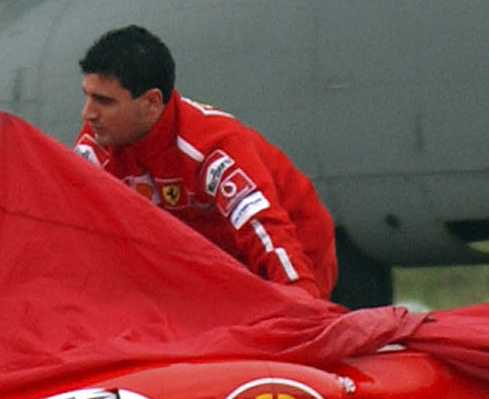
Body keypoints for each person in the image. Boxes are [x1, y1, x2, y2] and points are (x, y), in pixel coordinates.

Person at [74, 25, 338, 297]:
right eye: (87, 96)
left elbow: (265, 229)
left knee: (281, 322)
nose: (88, 113)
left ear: (151, 103)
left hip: (291, 247)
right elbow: (64, 221)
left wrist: (303, 299)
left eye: (104, 101)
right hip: (205, 258)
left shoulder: (211, 146)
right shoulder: (99, 141)